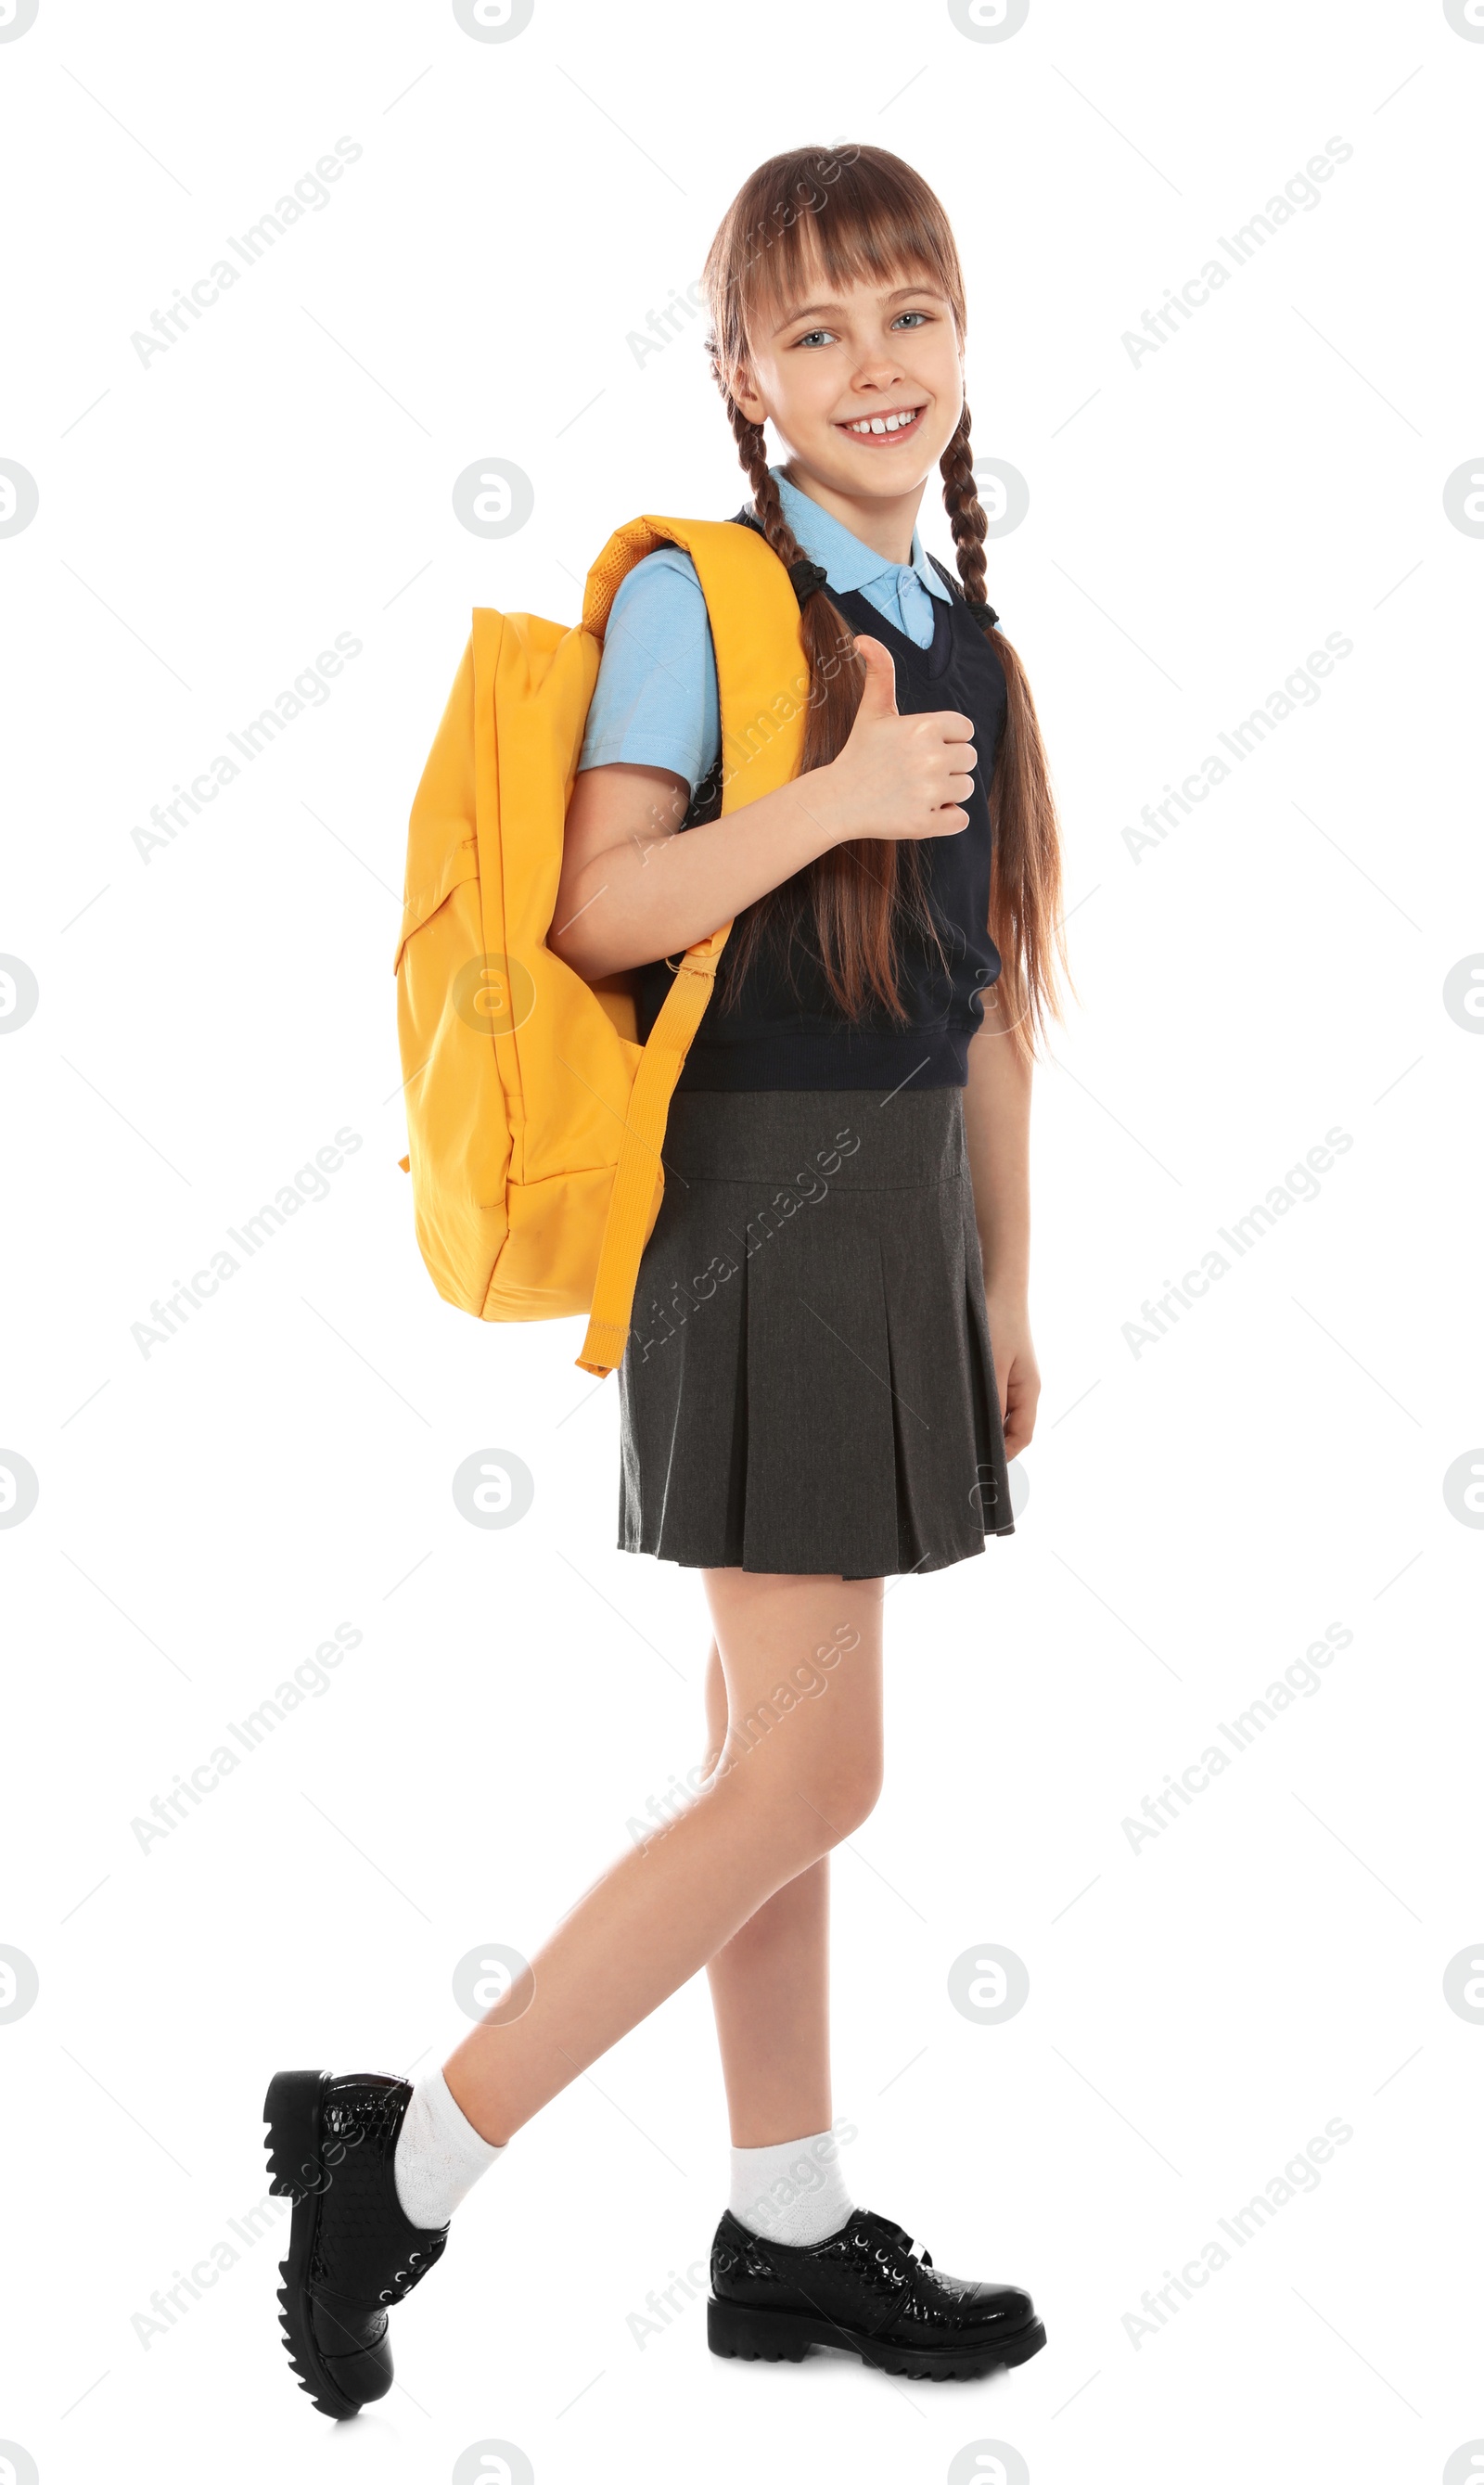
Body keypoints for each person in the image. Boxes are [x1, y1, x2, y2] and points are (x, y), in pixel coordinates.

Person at [263, 139, 1070, 2416]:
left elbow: (982, 993)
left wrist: (1007, 1284)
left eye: (903, 311)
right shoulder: (698, 598)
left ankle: (786, 2228)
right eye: (809, 328)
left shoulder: (968, 641)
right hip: (756, 1191)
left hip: (895, 1207)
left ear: (958, 332)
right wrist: (823, 794)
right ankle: (397, 2158)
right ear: (736, 373)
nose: (869, 363)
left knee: (761, 1756)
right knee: (812, 1776)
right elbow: (603, 914)